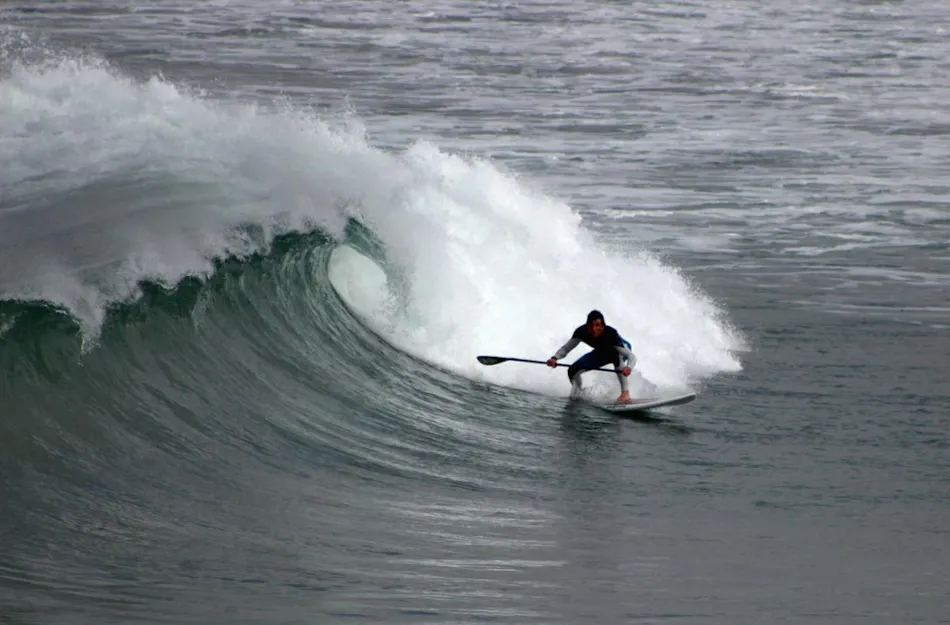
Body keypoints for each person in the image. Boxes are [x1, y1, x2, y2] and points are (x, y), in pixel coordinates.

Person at [546, 309, 636, 404]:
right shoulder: (581, 332)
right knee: (572, 371)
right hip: (601, 351)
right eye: (591, 325)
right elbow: (566, 348)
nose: (593, 329)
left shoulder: (610, 334)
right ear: (587, 325)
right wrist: (554, 358)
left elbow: (631, 356)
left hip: (622, 349)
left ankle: (625, 393)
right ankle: (578, 393)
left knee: (616, 356)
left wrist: (629, 368)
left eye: (597, 325)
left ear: (602, 326)